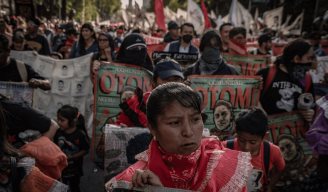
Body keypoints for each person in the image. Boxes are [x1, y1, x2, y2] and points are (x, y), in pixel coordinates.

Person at [106, 82, 252, 191]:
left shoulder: (226, 169)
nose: (188, 132)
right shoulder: (133, 181)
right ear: (152, 128)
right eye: (175, 122)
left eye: (195, 119)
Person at [224, 108, 285, 192]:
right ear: (236, 133)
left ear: (264, 137)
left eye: (252, 142)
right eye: (241, 141)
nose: (246, 147)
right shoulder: (225, 148)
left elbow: (280, 169)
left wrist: (270, 185)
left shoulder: (272, 151)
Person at [115, 58, 184, 127]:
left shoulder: (190, 106)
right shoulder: (138, 104)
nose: (172, 83)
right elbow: (116, 131)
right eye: (166, 79)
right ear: (153, 82)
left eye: (176, 79)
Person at [54, 105, 90, 192]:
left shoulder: (80, 134)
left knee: (74, 187)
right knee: (61, 186)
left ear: (73, 121)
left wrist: (71, 157)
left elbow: (85, 150)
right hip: (61, 168)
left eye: (62, 120)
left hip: (74, 169)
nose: (59, 122)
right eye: (58, 119)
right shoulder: (58, 132)